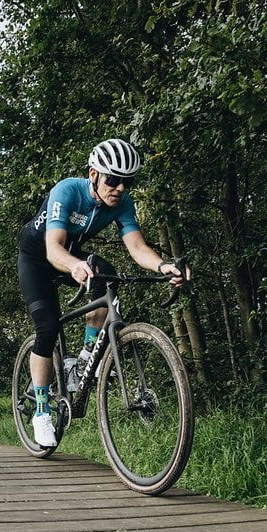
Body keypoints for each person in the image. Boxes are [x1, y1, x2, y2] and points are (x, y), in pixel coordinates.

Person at [17, 138, 189, 447]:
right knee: (48, 326)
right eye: (113, 179)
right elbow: (53, 248)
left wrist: (164, 267)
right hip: (38, 258)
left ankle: (85, 357)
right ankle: (41, 412)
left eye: (127, 181)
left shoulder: (122, 202)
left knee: (107, 280)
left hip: (70, 254)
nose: (120, 187)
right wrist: (74, 266)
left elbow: (136, 247)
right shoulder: (67, 191)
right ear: (93, 174)